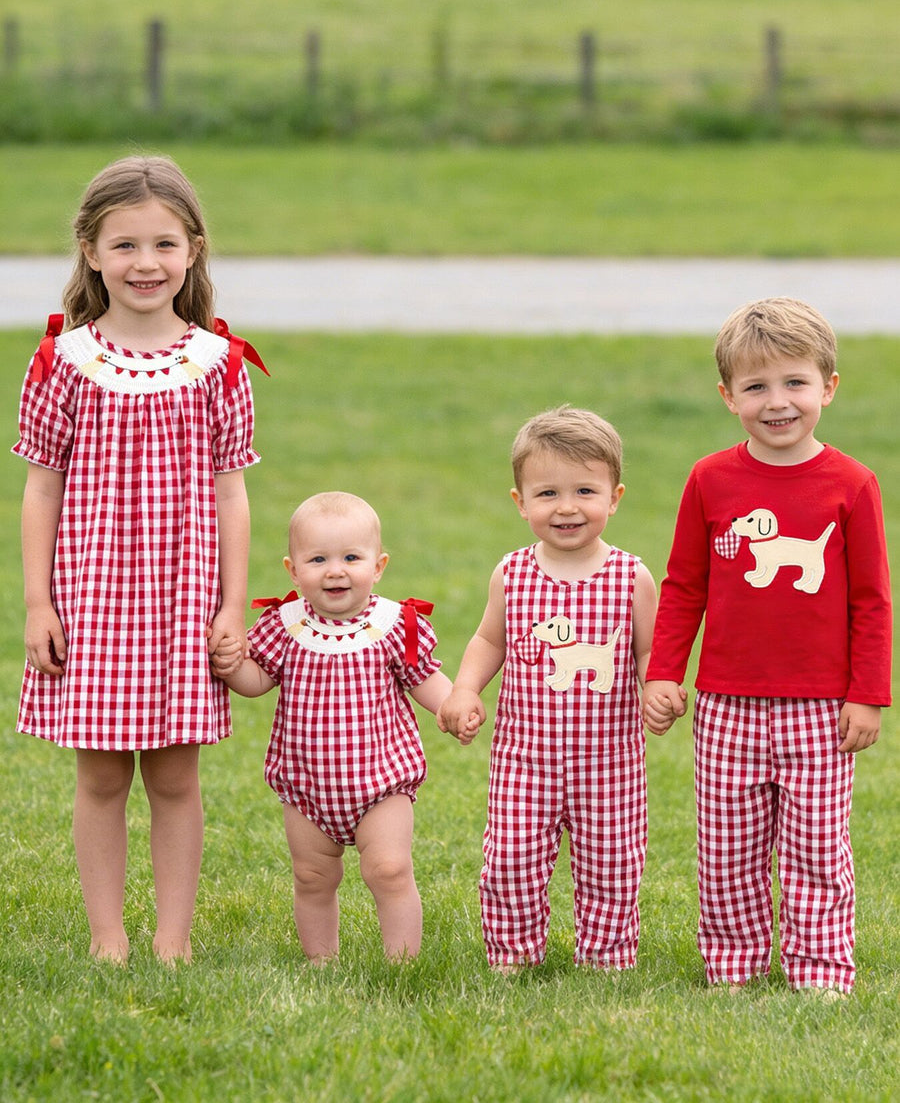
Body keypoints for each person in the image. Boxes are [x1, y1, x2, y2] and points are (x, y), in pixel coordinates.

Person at [14, 154, 267, 964]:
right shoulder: (62, 361)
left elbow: (232, 494)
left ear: (193, 250)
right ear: (91, 251)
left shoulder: (219, 364)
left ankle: (172, 940)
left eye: (164, 244)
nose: (145, 263)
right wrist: (38, 603)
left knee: (175, 780)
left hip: (183, 604)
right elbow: (41, 489)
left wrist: (231, 606)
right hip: (91, 602)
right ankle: (108, 938)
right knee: (99, 780)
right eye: (124, 245)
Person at [643, 297, 892, 995]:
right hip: (727, 705)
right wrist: (664, 672)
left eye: (795, 383)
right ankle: (733, 966)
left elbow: (871, 599)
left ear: (828, 387)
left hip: (821, 709)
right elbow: (684, 585)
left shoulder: (853, 484)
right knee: (727, 850)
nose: (777, 402)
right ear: (729, 396)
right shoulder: (710, 479)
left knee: (817, 848)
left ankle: (820, 971)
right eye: (756, 387)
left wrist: (868, 694)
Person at [438, 406, 658, 969]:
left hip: (610, 761)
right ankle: (512, 954)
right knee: (510, 860)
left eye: (585, 490)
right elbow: (489, 640)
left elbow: (647, 651)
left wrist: (657, 688)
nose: (566, 507)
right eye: (547, 493)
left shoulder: (631, 577)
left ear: (614, 497)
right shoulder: (512, 573)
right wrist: (465, 689)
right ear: (520, 502)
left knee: (612, 863)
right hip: (525, 758)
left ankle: (607, 958)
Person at [211, 491, 454, 963]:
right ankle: (322, 962)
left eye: (351, 558)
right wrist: (231, 665)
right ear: (293, 570)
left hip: (381, 781)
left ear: (378, 566)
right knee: (312, 876)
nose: (335, 571)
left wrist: (453, 707)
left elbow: (424, 678)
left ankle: (402, 964)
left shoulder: (392, 625)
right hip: (307, 785)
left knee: (389, 869)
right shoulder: (285, 626)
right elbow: (257, 682)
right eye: (318, 559)